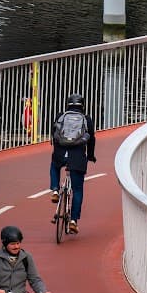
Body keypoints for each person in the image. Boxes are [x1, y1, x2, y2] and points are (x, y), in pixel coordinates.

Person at [48, 93, 97, 235]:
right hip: (77, 156)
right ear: (82, 106)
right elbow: (91, 139)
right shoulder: (86, 119)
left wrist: (57, 151)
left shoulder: (60, 116)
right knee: (77, 190)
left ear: (68, 104)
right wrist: (91, 155)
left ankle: (56, 190)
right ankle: (73, 221)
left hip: (61, 152)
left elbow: (54, 134)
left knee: (54, 165)